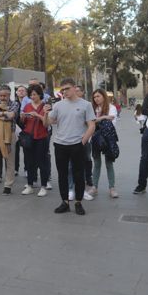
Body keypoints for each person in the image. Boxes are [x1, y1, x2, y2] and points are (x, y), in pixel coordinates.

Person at [45, 78, 96, 215]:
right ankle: (65, 202)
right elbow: (48, 123)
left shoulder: (86, 105)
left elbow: (92, 125)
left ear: (74, 87)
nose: (65, 91)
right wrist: (45, 113)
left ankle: (78, 202)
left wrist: (83, 141)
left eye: (67, 88)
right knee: (62, 175)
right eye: (63, 90)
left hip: (77, 145)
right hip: (60, 144)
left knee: (79, 174)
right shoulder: (58, 105)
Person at [19, 84, 51, 197]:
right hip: (28, 137)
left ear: (40, 94)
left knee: (42, 162)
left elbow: (46, 124)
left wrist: (38, 115)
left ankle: (43, 186)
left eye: (35, 94)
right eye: (31, 94)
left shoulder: (45, 106)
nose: (32, 97)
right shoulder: (27, 106)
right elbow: (23, 122)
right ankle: (30, 185)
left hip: (41, 137)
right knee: (29, 162)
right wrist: (23, 117)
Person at [90, 89, 119, 198]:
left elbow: (112, 122)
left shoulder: (111, 108)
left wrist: (98, 119)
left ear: (103, 96)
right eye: (94, 97)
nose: (96, 99)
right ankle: (94, 187)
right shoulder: (92, 108)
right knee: (97, 163)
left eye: (98, 96)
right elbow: (90, 121)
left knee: (109, 164)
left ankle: (112, 188)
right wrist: (103, 117)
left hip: (108, 139)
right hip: (95, 139)